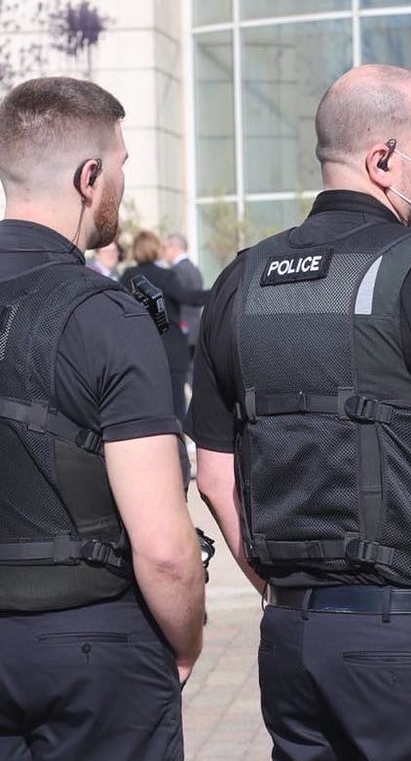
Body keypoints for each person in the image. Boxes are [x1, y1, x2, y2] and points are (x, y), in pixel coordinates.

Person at [190, 64, 411, 760]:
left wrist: (287, 591)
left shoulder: (240, 280)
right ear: (384, 160)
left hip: (295, 646)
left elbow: (213, 476)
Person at [0, 77, 204, 760]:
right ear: (90, 177)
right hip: (94, 649)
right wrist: (185, 639)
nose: (121, 178)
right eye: (120, 163)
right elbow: (166, 549)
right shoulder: (105, 314)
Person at [120, 230, 207, 428]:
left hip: (139, 347)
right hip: (171, 347)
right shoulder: (166, 276)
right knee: (176, 406)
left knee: (145, 405)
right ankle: (178, 453)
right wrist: (221, 290)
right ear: (155, 249)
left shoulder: (128, 277)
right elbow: (190, 298)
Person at [162, 232, 204, 368]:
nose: (163, 252)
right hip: (196, 328)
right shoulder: (194, 269)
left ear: (174, 248)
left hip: (181, 329)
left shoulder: (175, 272)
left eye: (165, 248)